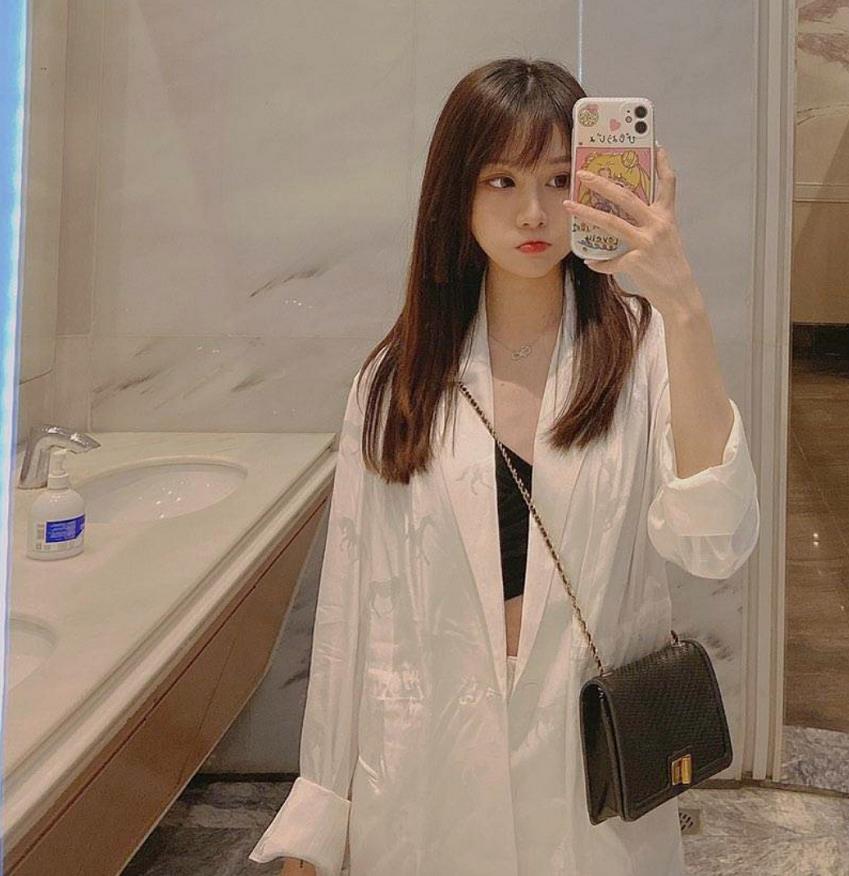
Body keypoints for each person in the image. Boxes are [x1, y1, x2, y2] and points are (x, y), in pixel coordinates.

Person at [249, 57, 760, 875]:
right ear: (455, 194)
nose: (533, 212)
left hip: (591, 782)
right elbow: (347, 609)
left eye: (559, 180)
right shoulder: (395, 380)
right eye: (501, 180)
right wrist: (321, 814)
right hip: (427, 774)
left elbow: (713, 542)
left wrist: (683, 306)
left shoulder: (641, 349)